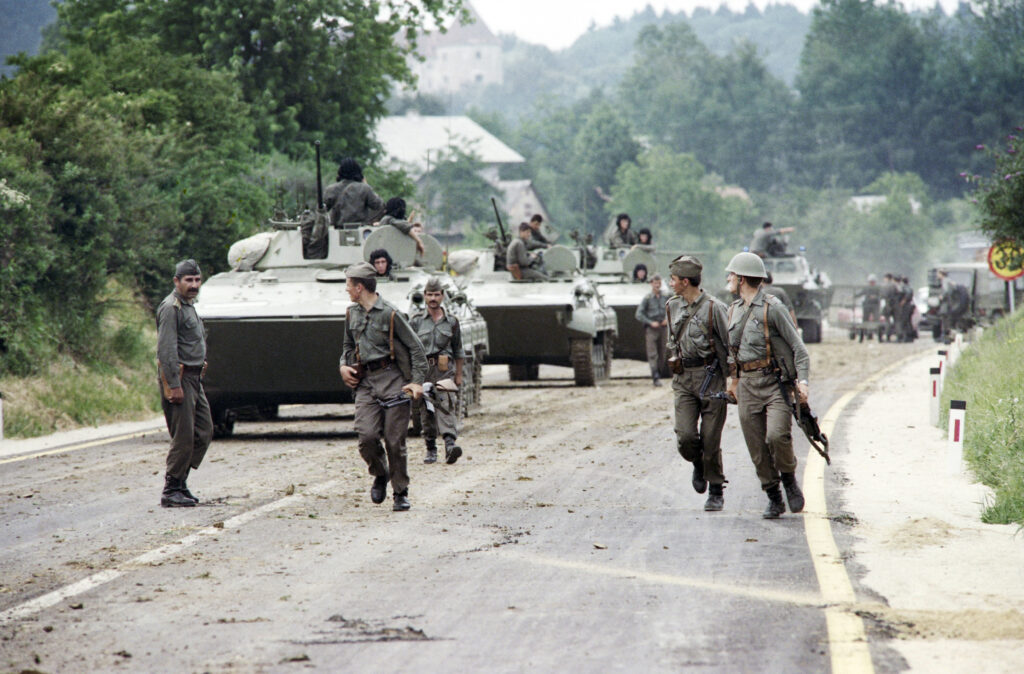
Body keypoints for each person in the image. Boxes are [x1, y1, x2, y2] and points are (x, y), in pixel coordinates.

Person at [724, 252, 810, 519]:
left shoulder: (773, 308)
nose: (727, 278)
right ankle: (773, 495)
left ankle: (789, 478)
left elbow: (799, 348)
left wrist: (803, 382)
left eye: (731, 274)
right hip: (747, 386)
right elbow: (733, 353)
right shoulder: (734, 310)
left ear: (741, 279)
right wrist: (733, 381)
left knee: (776, 436)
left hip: (775, 384)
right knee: (757, 447)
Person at [339, 262, 427, 511]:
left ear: (359, 287)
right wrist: (343, 367)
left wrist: (417, 381)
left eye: (348, 285)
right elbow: (347, 346)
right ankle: (380, 473)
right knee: (366, 437)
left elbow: (416, 349)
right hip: (365, 382)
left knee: (393, 440)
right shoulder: (351, 313)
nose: (346, 290)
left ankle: (400, 491)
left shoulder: (390, 313)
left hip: (393, 381)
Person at [665, 256, 731, 511]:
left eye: (673, 279)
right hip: (683, 378)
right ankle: (698, 463)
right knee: (686, 437)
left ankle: (715, 490)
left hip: (711, 377)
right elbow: (671, 340)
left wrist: (732, 382)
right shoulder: (671, 306)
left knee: (711, 438)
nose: (670, 283)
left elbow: (729, 346)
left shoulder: (715, 308)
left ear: (684, 281)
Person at [155, 259, 214, 508]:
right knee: (183, 437)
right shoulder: (171, 308)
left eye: (197, 280)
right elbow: (166, 349)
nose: (194, 285)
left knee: (204, 431)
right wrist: (174, 385)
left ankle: (181, 481)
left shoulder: (189, 305)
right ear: (176, 281)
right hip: (179, 378)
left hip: (193, 378)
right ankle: (172, 488)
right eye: (188, 280)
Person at [410, 276, 465, 465]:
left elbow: (458, 349)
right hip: (424, 369)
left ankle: (450, 444)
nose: (433, 298)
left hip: (444, 369)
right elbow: (409, 348)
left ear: (443, 296)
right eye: (430, 294)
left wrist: (458, 374)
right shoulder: (416, 322)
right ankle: (431, 448)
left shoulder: (452, 322)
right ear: (424, 296)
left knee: (445, 402)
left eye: (436, 294)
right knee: (426, 408)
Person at [323, 158, 384, 228]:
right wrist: (366, 184)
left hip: (337, 231)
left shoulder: (331, 189)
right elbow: (379, 205)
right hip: (360, 230)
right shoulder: (364, 188)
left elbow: (321, 211)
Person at [635, 274, 670, 386]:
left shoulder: (666, 297)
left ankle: (658, 373)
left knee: (663, 353)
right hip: (652, 329)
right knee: (652, 354)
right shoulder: (647, 298)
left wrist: (667, 319)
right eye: (655, 283)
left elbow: (673, 309)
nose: (657, 285)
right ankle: (655, 376)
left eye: (659, 283)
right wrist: (650, 322)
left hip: (663, 328)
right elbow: (639, 314)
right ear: (651, 284)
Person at [854, 274, 882, 342]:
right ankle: (862, 337)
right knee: (865, 322)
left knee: (876, 322)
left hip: (872, 306)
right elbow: (860, 294)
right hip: (871, 306)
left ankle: (878, 338)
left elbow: (881, 295)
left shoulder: (873, 288)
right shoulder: (873, 288)